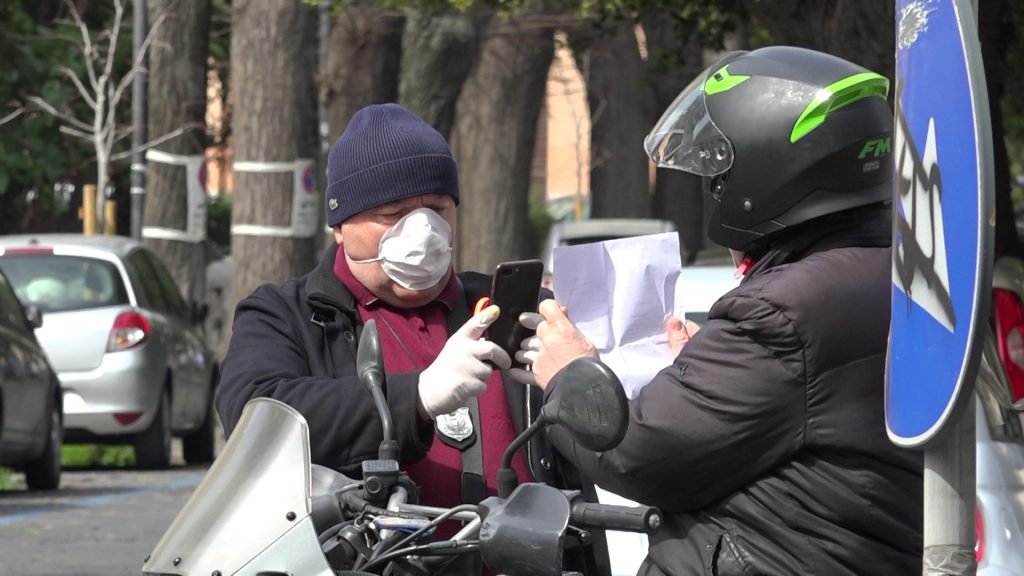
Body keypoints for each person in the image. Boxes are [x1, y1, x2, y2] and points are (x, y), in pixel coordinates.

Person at [517, 46, 923, 575]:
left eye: (720, 174)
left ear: (767, 174)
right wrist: (707, 373)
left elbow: (639, 453)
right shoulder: (894, 275)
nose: (715, 190)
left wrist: (569, 377)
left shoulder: (783, 310)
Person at [215, 103, 609, 575]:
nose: (422, 231)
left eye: (437, 209)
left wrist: (582, 372)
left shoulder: (504, 304)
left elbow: (604, 444)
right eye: (393, 214)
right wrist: (414, 398)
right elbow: (254, 419)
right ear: (340, 225)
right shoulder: (286, 314)